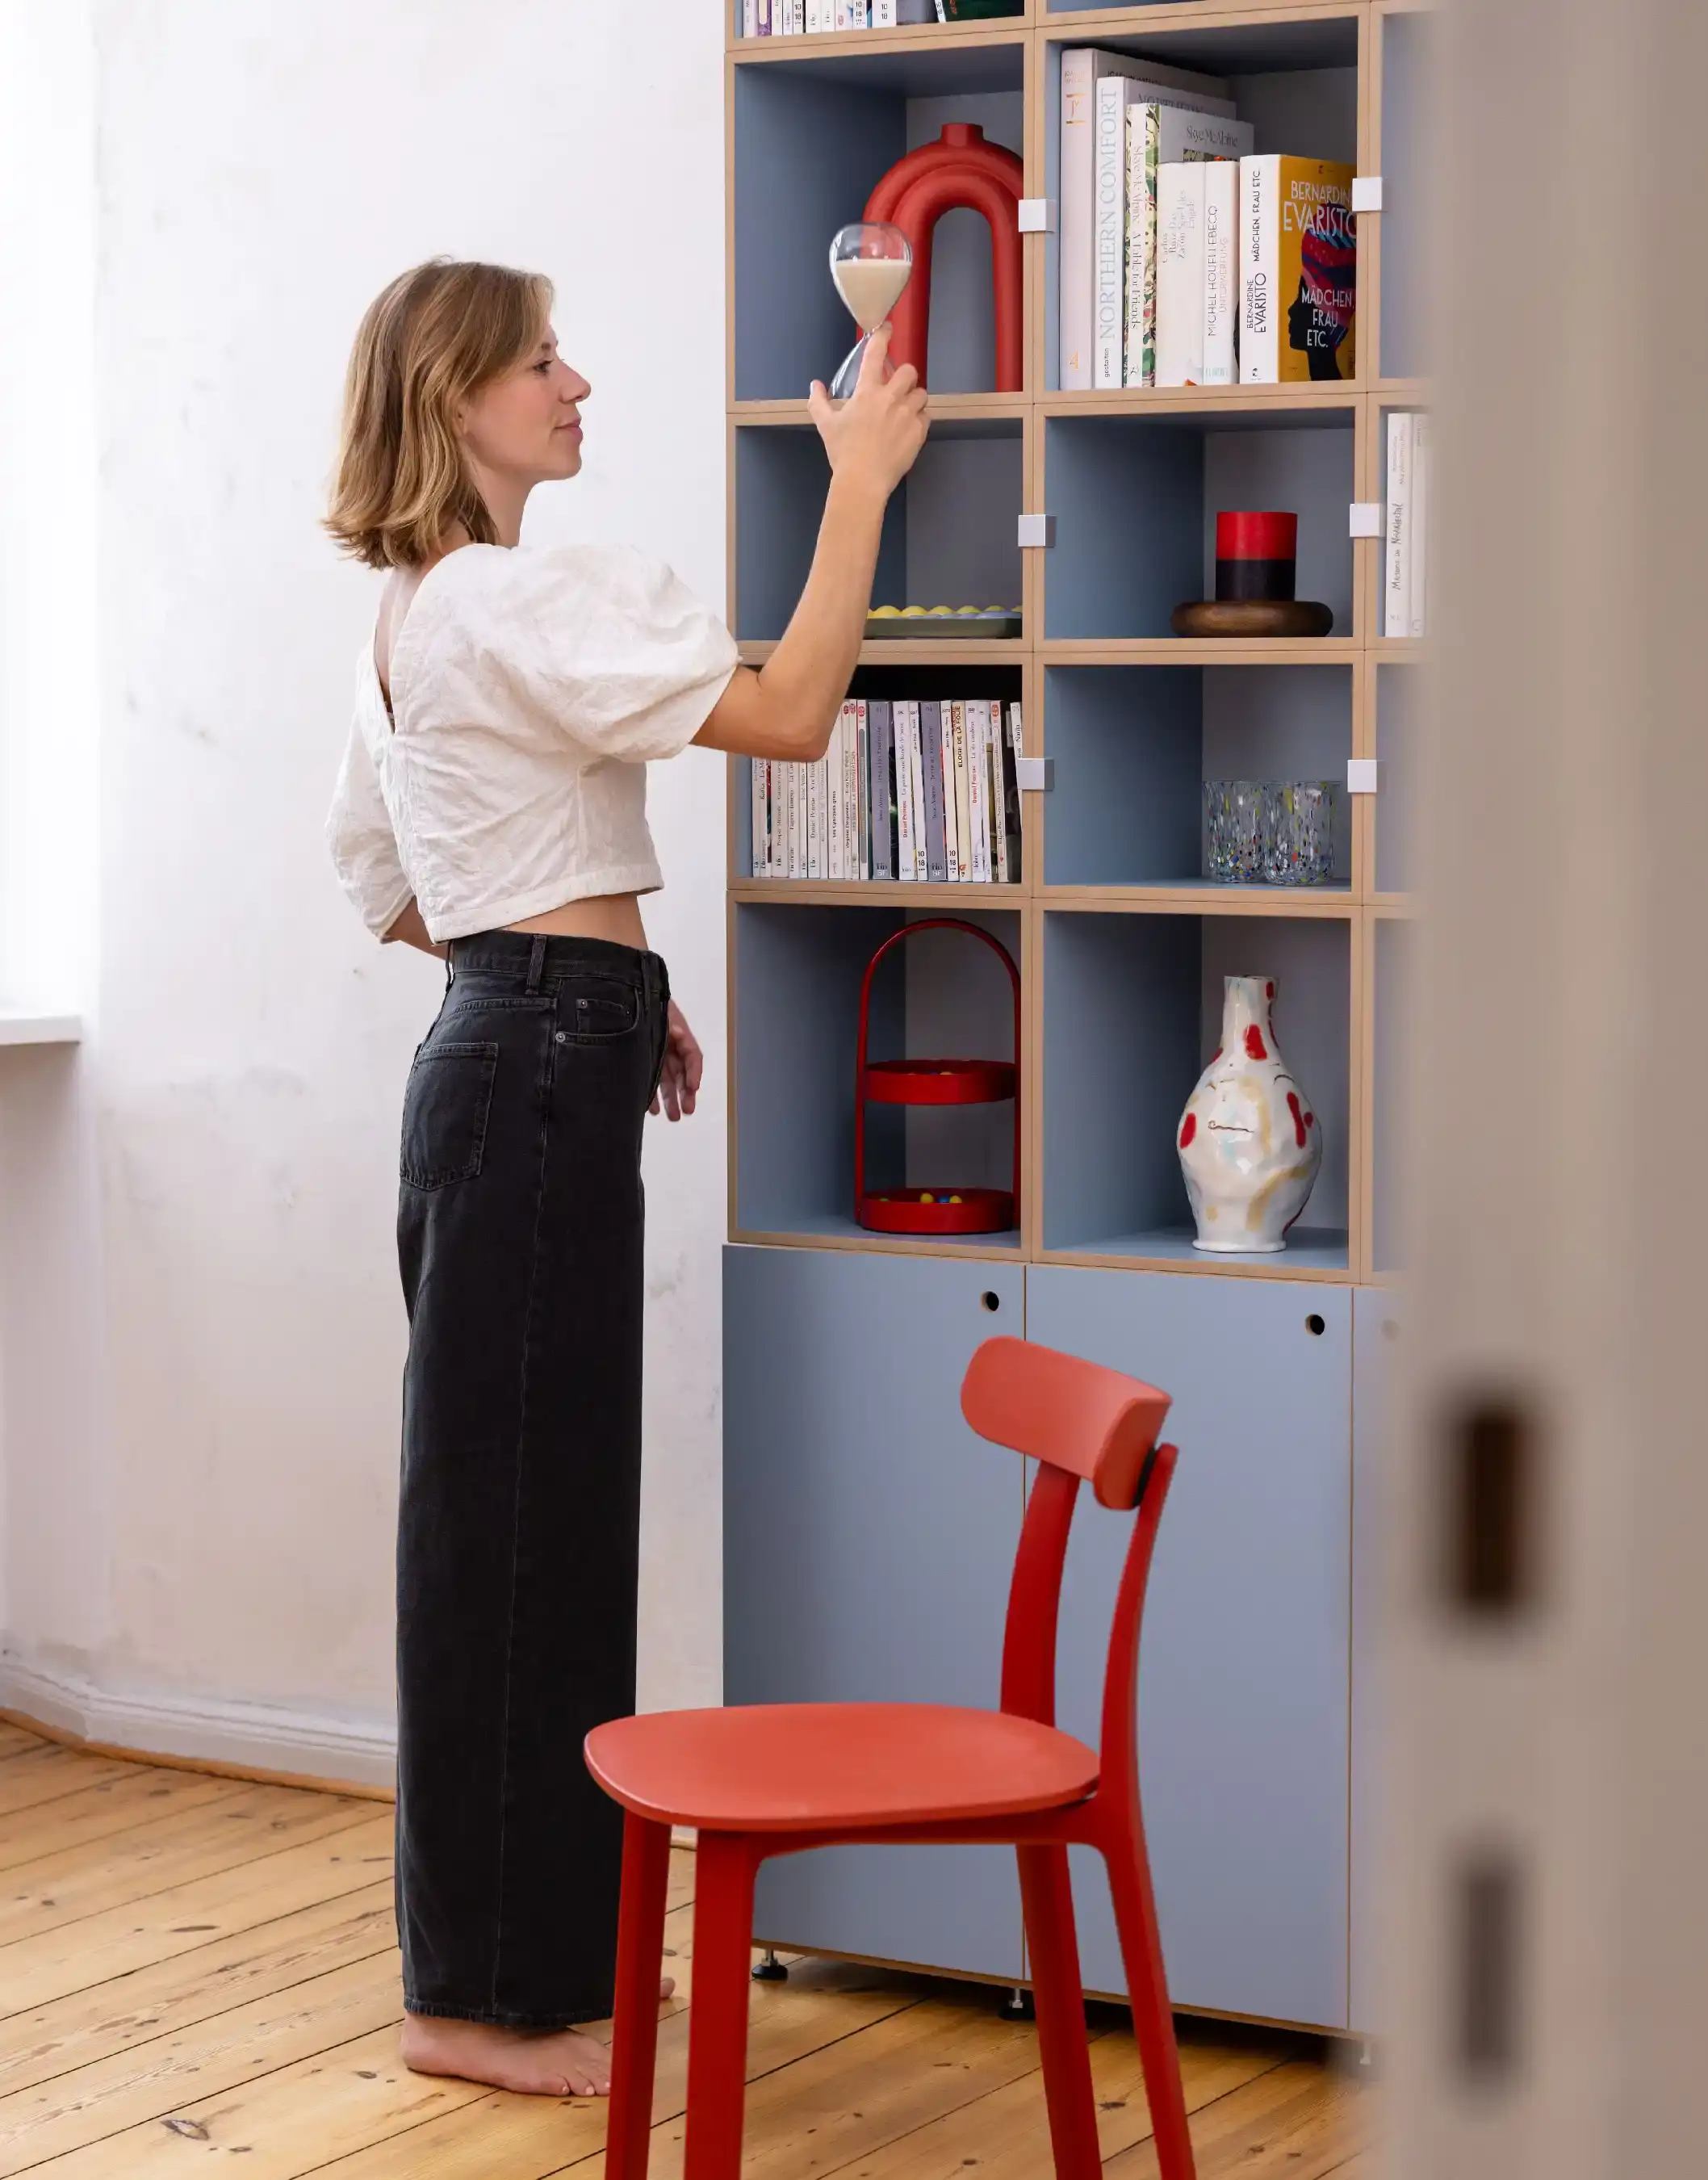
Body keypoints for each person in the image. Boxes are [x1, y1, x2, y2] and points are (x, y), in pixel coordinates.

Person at [322, 257, 927, 2099]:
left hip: (521, 1064)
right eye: (538, 363)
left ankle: (537, 1971)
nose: (575, 384)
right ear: (455, 404)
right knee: (515, 1545)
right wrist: (862, 484)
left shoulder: (424, 615)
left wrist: (579, 981)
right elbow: (800, 710)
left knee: (537, 1528)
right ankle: (473, 2008)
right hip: (530, 1084)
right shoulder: (502, 596)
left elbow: (393, 872)